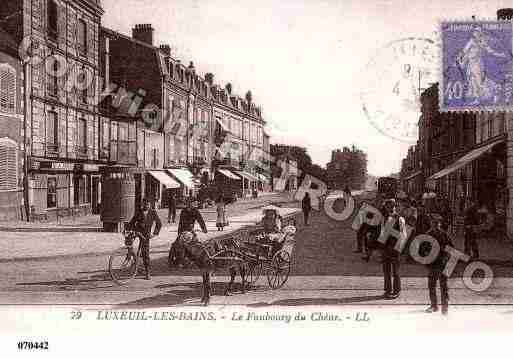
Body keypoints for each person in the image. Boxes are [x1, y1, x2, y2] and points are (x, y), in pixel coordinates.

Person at [424, 214, 453, 315]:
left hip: (442, 263)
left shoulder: (444, 235)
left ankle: (445, 308)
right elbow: (423, 250)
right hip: (432, 264)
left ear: (440, 224)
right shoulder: (427, 235)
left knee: (443, 286)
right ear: (431, 224)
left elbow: (450, 249)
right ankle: (434, 306)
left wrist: (445, 259)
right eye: (433, 223)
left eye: (437, 223)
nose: (435, 225)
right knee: (432, 285)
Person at [126, 198, 162, 280]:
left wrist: (154, 234)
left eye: (147, 204)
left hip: (146, 235)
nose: (146, 206)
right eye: (144, 204)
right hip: (137, 231)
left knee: (145, 253)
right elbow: (132, 222)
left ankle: (147, 271)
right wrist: (127, 229)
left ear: (150, 205)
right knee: (128, 239)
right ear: (142, 204)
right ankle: (130, 254)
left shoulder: (153, 212)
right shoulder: (139, 212)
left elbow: (159, 223)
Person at [380, 199, 407, 299]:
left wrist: (399, 248)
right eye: (388, 207)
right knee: (386, 271)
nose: (390, 208)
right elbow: (382, 233)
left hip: (395, 248)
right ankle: (387, 290)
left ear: (395, 207)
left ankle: (396, 290)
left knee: (396, 271)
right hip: (386, 248)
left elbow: (403, 235)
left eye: (392, 206)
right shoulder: (384, 218)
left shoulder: (400, 219)